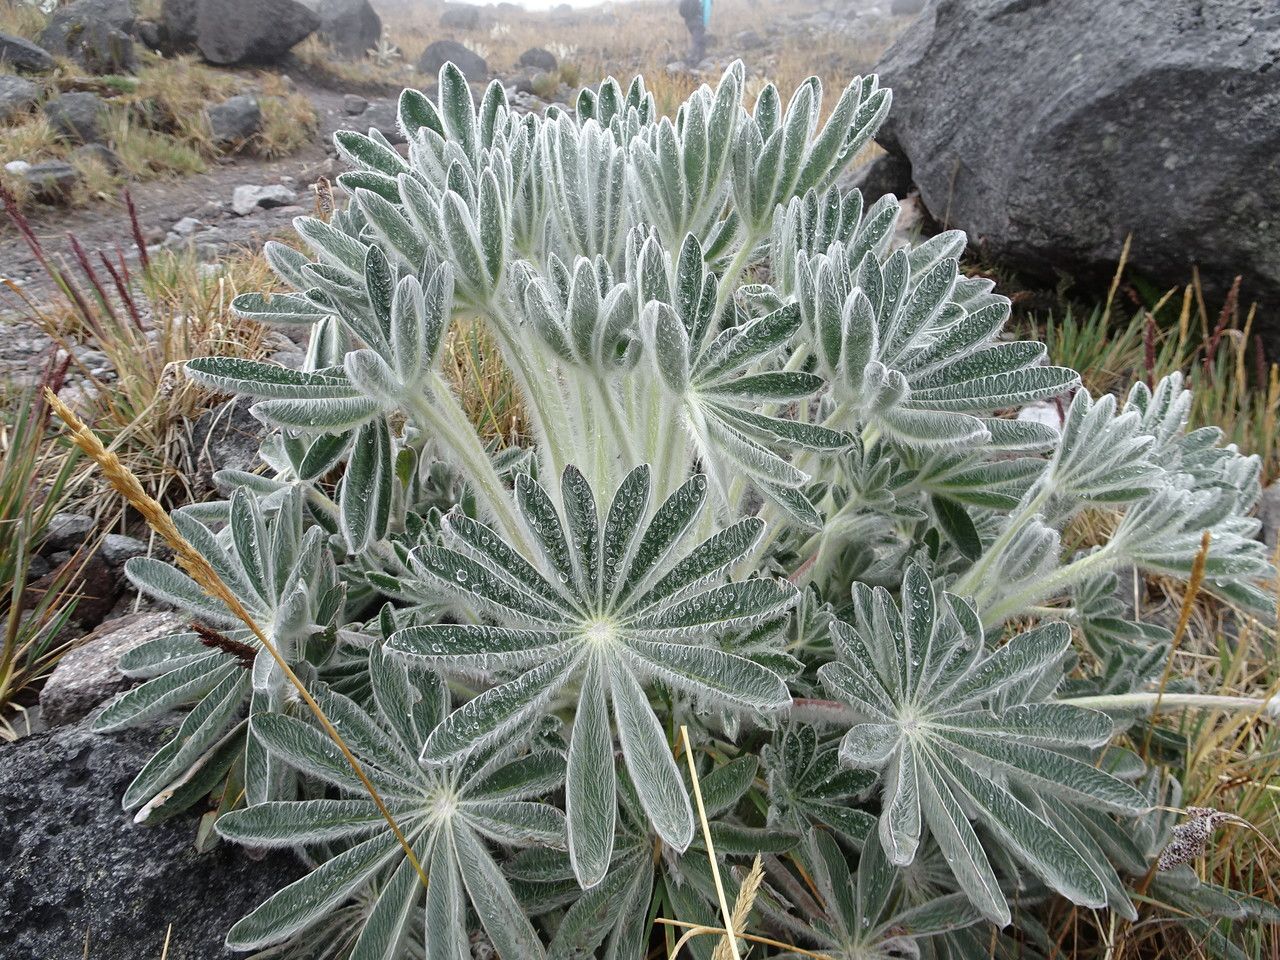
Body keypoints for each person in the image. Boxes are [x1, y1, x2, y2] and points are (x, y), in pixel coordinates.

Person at [678, 0, 709, 64]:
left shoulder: (684, 1)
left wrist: (688, 17)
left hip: (689, 23)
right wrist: (704, 24)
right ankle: (693, 59)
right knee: (697, 41)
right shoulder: (697, 1)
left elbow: (681, 12)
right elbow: (706, 10)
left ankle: (700, 58)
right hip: (698, 21)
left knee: (700, 40)